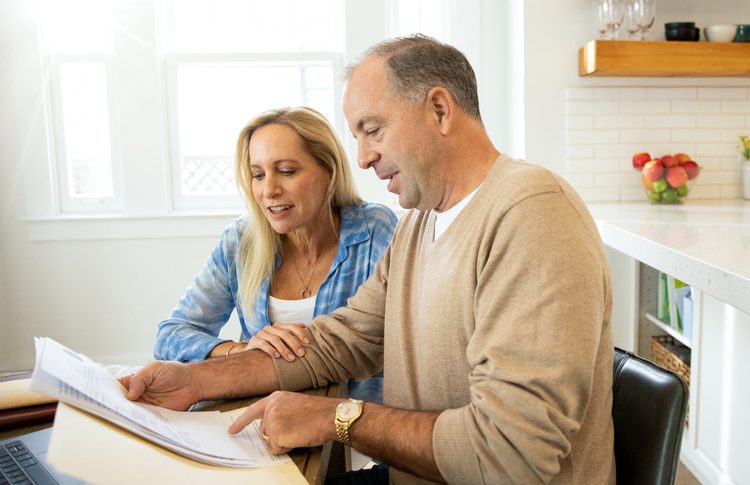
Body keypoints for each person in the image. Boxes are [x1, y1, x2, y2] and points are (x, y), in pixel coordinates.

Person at [123, 36, 615, 484]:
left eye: (372, 129)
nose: (361, 158)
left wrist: (335, 417)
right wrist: (193, 379)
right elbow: (341, 341)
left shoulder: (533, 215)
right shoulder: (422, 222)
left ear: (440, 110)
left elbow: (511, 453)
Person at [152, 106, 397, 402]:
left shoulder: (374, 230)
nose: (269, 190)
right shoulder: (240, 241)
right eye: (257, 175)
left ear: (329, 171)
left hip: (346, 421)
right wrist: (242, 352)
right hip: (260, 414)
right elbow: (170, 335)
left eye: (286, 171)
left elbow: (394, 340)